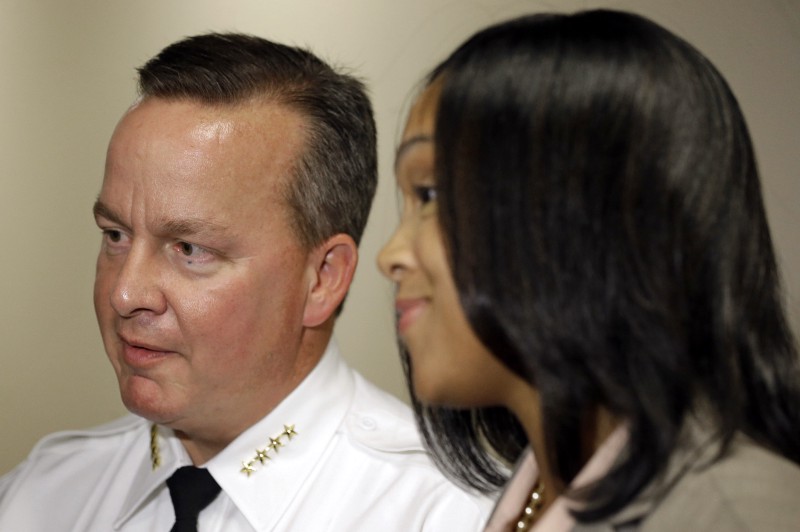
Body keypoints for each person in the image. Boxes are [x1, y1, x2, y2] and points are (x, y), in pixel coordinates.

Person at [0, 33, 490, 531]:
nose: (125, 294)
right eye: (116, 235)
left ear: (322, 279)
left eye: (189, 250)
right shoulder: (39, 495)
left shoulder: (448, 513)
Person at [379, 9, 800, 531]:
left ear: (577, 214)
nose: (389, 255)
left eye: (430, 194)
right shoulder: (534, 490)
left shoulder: (737, 516)